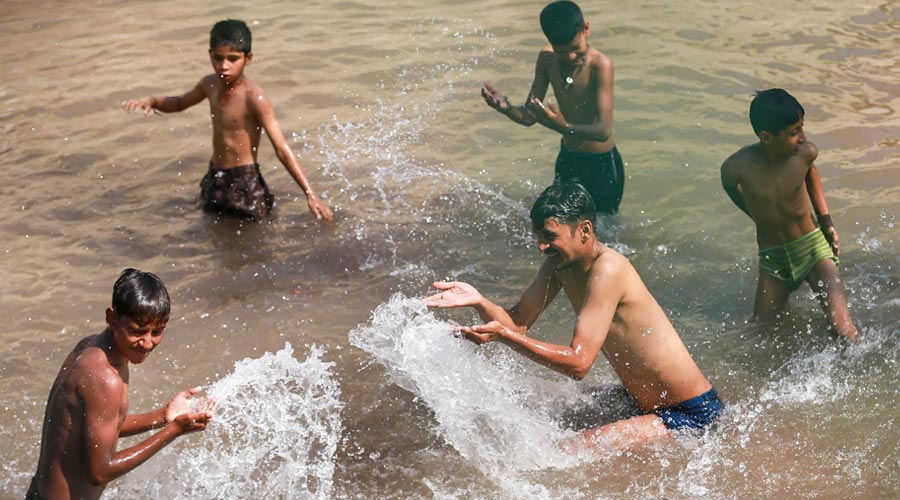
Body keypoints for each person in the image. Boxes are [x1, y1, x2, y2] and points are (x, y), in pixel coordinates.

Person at [424, 181, 722, 451]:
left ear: (585, 231)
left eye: (550, 237)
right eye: (538, 236)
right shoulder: (559, 266)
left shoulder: (609, 269)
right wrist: (479, 300)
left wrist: (504, 337)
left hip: (690, 414)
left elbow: (579, 363)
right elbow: (518, 323)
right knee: (542, 413)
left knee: (561, 452)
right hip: (636, 401)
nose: (541, 247)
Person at [27, 269, 219, 500]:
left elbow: (103, 425)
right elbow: (99, 472)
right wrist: (174, 430)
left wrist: (164, 416)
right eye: (137, 331)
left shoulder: (91, 347)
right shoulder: (105, 378)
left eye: (157, 332)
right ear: (111, 318)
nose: (147, 343)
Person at [123, 19, 332, 221]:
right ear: (209, 55)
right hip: (215, 176)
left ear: (247, 59)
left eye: (233, 59)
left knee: (256, 239)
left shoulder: (254, 97)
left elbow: (281, 148)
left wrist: (310, 193)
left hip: (245, 181)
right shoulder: (209, 85)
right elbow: (179, 103)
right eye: (217, 58)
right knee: (213, 234)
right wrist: (152, 101)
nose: (224, 66)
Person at [720, 89, 857, 341]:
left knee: (843, 331)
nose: (803, 138)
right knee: (762, 333)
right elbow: (730, 188)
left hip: (813, 250)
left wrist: (826, 221)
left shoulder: (804, 154)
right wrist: (755, 214)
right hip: (773, 261)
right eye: (794, 132)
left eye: (802, 128)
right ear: (766, 137)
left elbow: (811, 174)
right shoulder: (736, 168)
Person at [481, 1, 623, 214]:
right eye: (561, 52)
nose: (570, 57)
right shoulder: (547, 59)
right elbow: (530, 116)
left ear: (586, 29)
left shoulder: (600, 65)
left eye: (575, 49)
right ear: (549, 42)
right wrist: (506, 108)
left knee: (603, 230)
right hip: (568, 158)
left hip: (601, 166)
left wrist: (564, 126)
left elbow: (603, 131)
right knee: (559, 223)